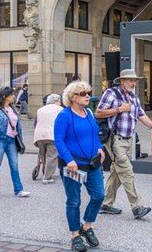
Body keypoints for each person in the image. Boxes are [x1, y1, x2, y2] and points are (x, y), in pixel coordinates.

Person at [96, 69, 152, 219]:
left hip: (128, 139)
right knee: (126, 171)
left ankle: (106, 204)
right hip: (115, 139)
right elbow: (98, 112)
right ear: (121, 81)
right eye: (130, 80)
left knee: (117, 172)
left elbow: (141, 115)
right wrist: (119, 109)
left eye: (135, 80)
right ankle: (137, 206)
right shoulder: (111, 93)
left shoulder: (134, 97)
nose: (133, 83)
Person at [54, 81, 105, 252]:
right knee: (74, 200)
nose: (87, 96)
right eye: (83, 93)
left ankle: (87, 226)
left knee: (98, 196)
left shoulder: (89, 112)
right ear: (72, 97)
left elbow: (94, 133)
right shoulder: (64, 115)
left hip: (92, 163)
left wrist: (100, 148)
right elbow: (59, 140)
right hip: (73, 166)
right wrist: (69, 160)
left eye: (88, 92)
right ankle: (75, 235)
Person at [0, 86, 30, 197]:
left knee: (14, 165)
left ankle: (19, 189)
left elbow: (17, 126)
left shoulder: (13, 109)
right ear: (5, 96)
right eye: (11, 94)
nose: (13, 96)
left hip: (12, 140)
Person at [33, 93, 63, 184]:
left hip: (39, 135)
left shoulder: (40, 109)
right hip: (52, 135)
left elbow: (35, 123)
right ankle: (47, 177)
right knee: (52, 156)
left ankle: (45, 172)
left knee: (43, 155)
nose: (60, 103)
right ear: (56, 101)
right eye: (60, 101)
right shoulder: (60, 109)